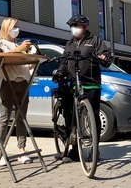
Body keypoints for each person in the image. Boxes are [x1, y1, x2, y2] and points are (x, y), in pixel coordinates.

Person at [53, 15, 112, 163]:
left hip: (91, 83)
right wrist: (60, 71)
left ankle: (95, 150)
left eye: (76, 25)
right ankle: (74, 150)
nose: (74, 28)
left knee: (93, 116)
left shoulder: (95, 41)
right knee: (72, 116)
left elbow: (107, 58)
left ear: (84, 27)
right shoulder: (70, 43)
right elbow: (65, 61)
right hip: (74, 84)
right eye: (72, 26)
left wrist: (104, 57)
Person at [0, 17, 32, 166]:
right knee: (5, 118)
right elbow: (1, 59)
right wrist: (20, 49)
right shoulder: (0, 43)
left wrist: (30, 66)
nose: (17, 29)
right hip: (6, 83)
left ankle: (21, 151)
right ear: (7, 28)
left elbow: (20, 65)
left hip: (22, 82)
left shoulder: (17, 44)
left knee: (21, 117)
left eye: (18, 26)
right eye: (14, 26)